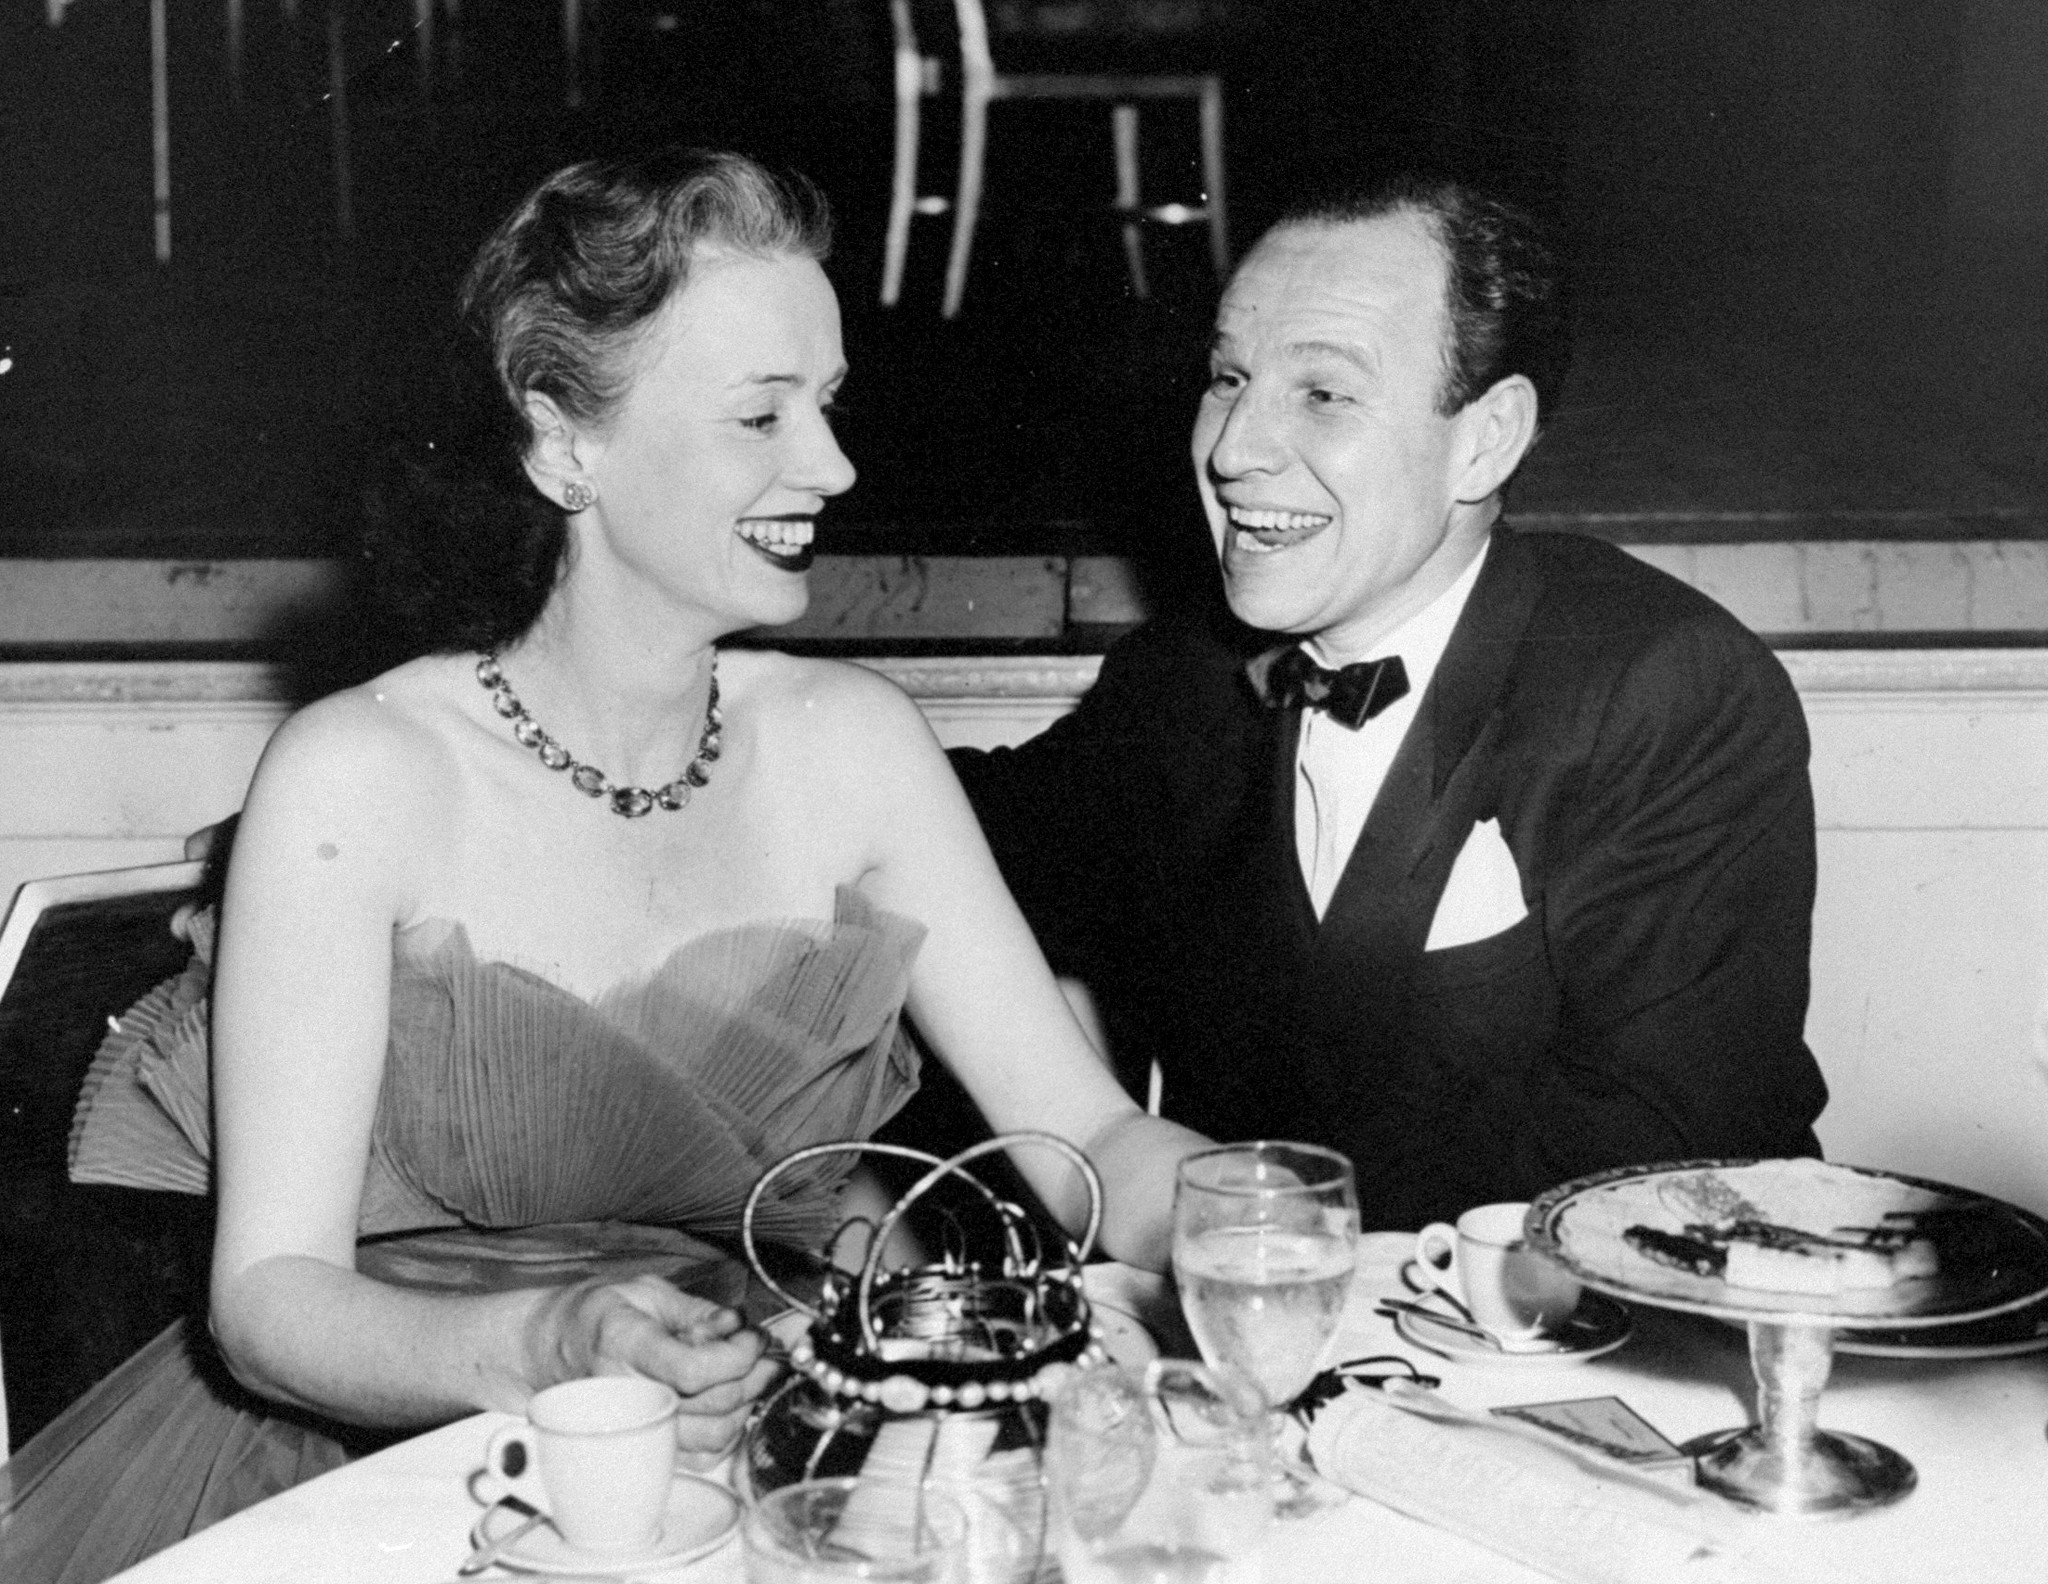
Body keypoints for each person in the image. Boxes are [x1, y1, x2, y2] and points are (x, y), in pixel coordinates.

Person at [5, 148, 1206, 1584]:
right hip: (412, 1455)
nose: (832, 468)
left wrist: (1263, 1226)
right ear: (565, 445)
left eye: (823, 409)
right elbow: (270, 1299)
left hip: (775, 1447)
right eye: (760, 416)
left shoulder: (860, 746)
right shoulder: (362, 774)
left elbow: (1087, 1140)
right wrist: (551, 1341)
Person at [951, 171, 1828, 1233]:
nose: (1231, 451)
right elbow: (953, 844)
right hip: (1269, 1350)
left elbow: (1673, 1153)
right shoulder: (1179, 679)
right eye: (1226, 378)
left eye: (1321, 394)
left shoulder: (1660, 690)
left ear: (1485, 438)